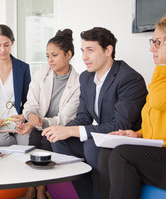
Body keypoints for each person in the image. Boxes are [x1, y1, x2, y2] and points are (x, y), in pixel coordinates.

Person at [42, 27, 148, 199]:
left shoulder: (129, 79)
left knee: (92, 146)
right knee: (59, 142)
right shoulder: (86, 78)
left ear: (108, 50)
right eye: (83, 51)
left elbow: (119, 125)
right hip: (103, 137)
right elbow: (83, 117)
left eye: (90, 50)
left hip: (127, 140)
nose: (84, 57)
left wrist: (69, 130)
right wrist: (61, 130)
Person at [98, 14, 166, 199]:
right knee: (106, 151)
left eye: (158, 43)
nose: (152, 48)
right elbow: (156, 119)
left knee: (123, 155)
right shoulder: (161, 76)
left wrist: (163, 64)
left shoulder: (162, 74)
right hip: (160, 151)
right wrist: (138, 134)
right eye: (153, 42)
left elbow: (159, 101)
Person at [18, 29, 80, 199]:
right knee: (34, 141)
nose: (50, 60)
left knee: (45, 141)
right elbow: (31, 102)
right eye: (47, 56)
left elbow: (64, 118)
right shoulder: (42, 72)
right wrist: (31, 116)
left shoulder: (78, 82)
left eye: (54, 55)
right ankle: (35, 186)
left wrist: (37, 123)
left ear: (68, 54)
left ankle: (39, 188)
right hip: (37, 125)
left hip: (60, 128)